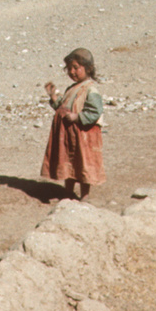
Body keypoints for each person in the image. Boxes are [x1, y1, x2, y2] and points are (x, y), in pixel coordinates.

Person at [41, 47, 105, 202]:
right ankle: (67, 193)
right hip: (69, 136)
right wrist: (54, 96)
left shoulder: (91, 90)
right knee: (69, 163)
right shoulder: (72, 88)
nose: (72, 72)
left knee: (83, 164)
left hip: (84, 137)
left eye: (76, 68)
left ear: (88, 68)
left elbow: (95, 112)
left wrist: (77, 117)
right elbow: (62, 107)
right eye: (69, 68)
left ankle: (85, 196)